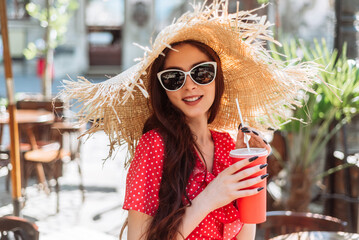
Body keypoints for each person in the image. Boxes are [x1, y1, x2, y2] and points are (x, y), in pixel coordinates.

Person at [60, 1, 319, 239]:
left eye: (201, 73)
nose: (190, 86)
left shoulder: (228, 147)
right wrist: (210, 198)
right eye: (174, 78)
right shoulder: (154, 147)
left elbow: (243, 234)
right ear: (163, 89)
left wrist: (249, 174)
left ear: (216, 79)